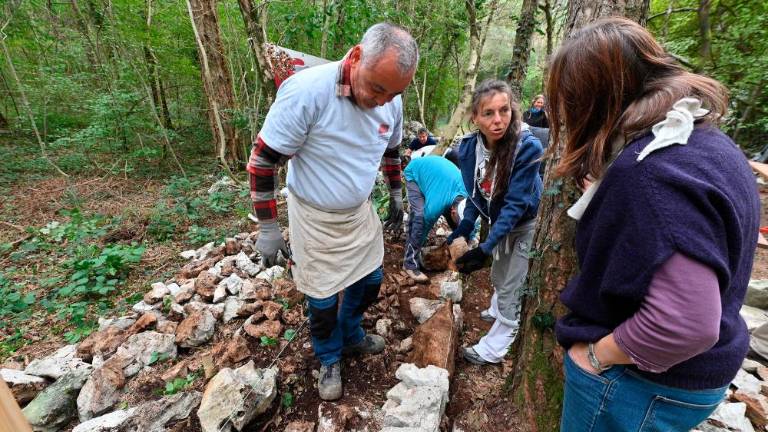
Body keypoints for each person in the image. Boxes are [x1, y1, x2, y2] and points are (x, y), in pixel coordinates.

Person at [549, 18, 760, 432]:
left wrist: (595, 356)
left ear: (587, 101)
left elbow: (684, 323)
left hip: (639, 384)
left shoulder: (649, 175)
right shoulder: (705, 142)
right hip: (702, 372)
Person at [247, 23, 418, 401]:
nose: (382, 101)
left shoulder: (391, 100)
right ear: (356, 57)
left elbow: (391, 151)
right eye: (376, 88)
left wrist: (396, 192)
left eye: (394, 93)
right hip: (313, 216)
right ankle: (328, 357)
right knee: (322, 300)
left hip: (358, 212)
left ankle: (351, 333)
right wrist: (268, 227)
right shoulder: (307, 92)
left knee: (370, 280)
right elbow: (262, 161)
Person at [446, 79, 543, 366]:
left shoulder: (527, 147)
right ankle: (499, 309)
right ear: (475, 117)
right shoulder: (469, 148)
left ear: (513, 110)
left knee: (513, 284)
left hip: (525, 223)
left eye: (504, 110)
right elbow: (477, 194)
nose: (498, 120)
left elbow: (516, 205)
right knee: (499, 276)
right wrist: (465, 226)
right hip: (500, 221)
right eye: (488, 113)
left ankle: (496, 346)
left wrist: (486, 247)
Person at [402, 155, 467, 282]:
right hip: (415, 173)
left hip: (437, 176)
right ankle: (409, 263)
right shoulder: (436, 206)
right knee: (419, 218)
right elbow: (424, 225)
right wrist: (418, 244)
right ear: (453, 211)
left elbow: (468, 225)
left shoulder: (467, 199)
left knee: (459, 228)